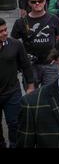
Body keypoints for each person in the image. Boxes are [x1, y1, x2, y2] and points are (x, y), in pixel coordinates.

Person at [11, 0, 59, 88]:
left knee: (49, 95)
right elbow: (13, 43)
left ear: (44, 2)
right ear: (29, 3)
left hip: (50, 65)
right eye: (34, 2)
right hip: (30, 66)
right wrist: (20, 60)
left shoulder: (53, 19)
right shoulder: (20, 22)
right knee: (31, 96)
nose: (37, 3)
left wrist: (57, 57)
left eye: (40, 1)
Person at [0, 18, 34, 148]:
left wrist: (30, 86)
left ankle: (14, 144)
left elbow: (26, 66)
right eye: (1, 31)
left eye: (5, 30)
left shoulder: (15, 44)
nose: (4, 33)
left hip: (12, 92)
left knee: (15, 123)